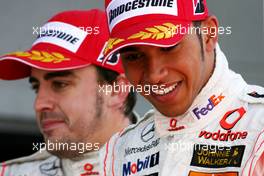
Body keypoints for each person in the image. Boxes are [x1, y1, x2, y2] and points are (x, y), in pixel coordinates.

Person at [102, 0, 264, 175]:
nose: (154, 75)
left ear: (208, 34)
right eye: (133, 56)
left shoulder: (258, 128)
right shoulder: (120, 149)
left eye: (168, 47)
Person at [0, 9, 137, 175]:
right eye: (36, 87)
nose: (39, 104)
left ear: (117, 90)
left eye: (60, 84)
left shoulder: (172, 162)